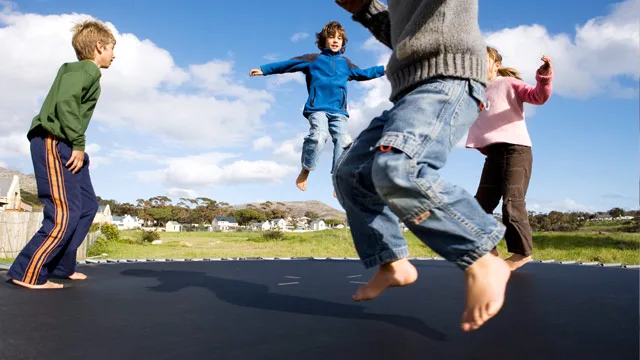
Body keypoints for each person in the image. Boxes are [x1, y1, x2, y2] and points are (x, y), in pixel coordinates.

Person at [333, 0, 511, 332]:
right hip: (407, 93)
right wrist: (365, 9)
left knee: (397, 166)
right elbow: (408, 33)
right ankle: (392, 262)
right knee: (351, 176)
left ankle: (481, 256)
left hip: (448, 79)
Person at [7, 20, 116, 289]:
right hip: (55, 140)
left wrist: (77, 145)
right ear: (99, 46)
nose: (114, 56)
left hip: (67, 143)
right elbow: (66, 102)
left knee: (88, 205)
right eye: (112, 49)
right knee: (64, 212)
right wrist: (78, 143)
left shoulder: (85, 73)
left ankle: (60, 265)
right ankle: (26, 272)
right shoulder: (85, 70)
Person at [249, 21, 385, 194]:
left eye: (339, 38)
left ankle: (338, 178)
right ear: (324, 40)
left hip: (339, 111)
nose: (335, 41)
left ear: (343, 42)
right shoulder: (313, 60)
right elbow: (287, 65)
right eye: (331, 37)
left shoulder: (346, 64)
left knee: (343, 141)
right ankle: (306, 168)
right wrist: (264, 70)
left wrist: (384, 69)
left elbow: (364, 73)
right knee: (319, 136)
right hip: (317, 108)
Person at [466, 47, 553, 271]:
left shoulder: (507, 84)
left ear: (496, 65)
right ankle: (489, 249)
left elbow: (537, 96)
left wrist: (543, 77)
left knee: (512, 202)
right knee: (479, 206)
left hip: (517, 150)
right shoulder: (472, 91)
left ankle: (521, 253)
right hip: (495, 153)